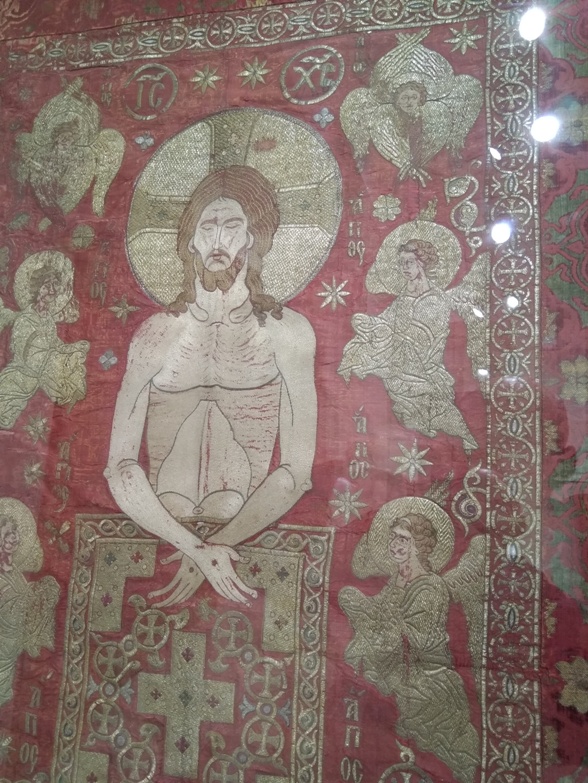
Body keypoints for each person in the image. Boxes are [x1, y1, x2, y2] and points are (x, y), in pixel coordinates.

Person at [106, 166, 317, 607]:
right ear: (191, 241)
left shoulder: (287, 334)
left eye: (232, 226)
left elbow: (295, 473)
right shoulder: (155, 334)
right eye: (207, 226)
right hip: (158, 534)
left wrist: (218, 546)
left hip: (247, 536)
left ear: (253, 238)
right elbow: (121, 468)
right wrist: (198, 551)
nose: (218, 239)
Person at [339, 511, 480, 783]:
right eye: (393, 537)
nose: (394, 544)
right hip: (396, 668)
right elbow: (381, 613)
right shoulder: (398, 579)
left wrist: (379, 624)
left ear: (419, 546)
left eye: (402, 539)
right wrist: (357, 604)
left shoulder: (431, 587)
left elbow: (417, 640)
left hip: (426, 679)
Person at [338, 239, 478, 452]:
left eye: (409, 262)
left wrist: (385, 336)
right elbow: (386, 320)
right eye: (401, 263)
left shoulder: (436, 300)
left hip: (423, 371)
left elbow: (422, 341)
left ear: (422, 264)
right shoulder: (404, 297)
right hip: (398, 366)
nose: (404, 267)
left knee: (438, 417)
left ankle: (467, 443)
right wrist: (368, 323)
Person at [0, 255, 89, 429]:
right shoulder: (25, 320)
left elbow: (54, 344)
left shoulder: (48, 320)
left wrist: (73, 348)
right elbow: (33, 357)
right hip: (18, 380)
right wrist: (60, 360)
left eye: (56, 285)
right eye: (47, 285)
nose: (52, 290)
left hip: (37, 380)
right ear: (37, 289)